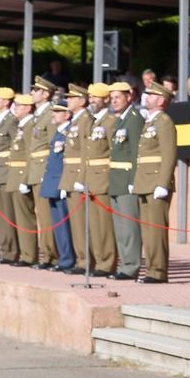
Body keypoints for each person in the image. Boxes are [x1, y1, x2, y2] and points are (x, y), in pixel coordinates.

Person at [134, 83, 177, 283]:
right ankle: (151, 269)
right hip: (145, 181)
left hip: (156, 182)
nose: (146, 97)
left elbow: (169, 155)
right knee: (147, 230)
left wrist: (163, 182)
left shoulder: (164, 121)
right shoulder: (150, 122)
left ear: (161, 100)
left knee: (156, 229)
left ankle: (158, 272)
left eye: (151, 94)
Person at [107, 82, 145, 280]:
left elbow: (136, 152)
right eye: (111, 98)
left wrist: (133, 180)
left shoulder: (133, 119)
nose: (113, 101)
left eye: (117, 97)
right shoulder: (120, 120)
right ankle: (125, 264)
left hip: (127, 178)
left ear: (129, 97)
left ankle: (131, 266)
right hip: (116, 179)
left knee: (129, 227)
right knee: (120, 227)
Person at [81, 83, 118, 277]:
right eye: (91, 97)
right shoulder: (94, 121)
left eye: (95, 97)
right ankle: (99, 261)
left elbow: (113, 151)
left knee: (104, 225)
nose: (92, 100)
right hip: (91, 178)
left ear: (105, 99)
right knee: (94, 225)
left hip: (103, 178)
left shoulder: (110, 121)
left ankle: (107, 263)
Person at [61, 84, 94, 274]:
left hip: (78, 177)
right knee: (76, 224)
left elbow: (86, 152)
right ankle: (82, 260)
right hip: (71, 176)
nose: (68, 101)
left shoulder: (85, 120)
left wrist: (81, 178)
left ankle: (86, 261)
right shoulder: (77, 120)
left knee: (82, 224)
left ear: (82, 101)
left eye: (72, 98)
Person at [26, 78, 58, 269]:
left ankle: (50, 255)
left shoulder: (50, 113)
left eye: (36, 90)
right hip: (35, 169)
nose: (32, 93)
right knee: (41, 215)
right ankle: (46, 254)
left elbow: (54, 144)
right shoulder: (39, 114)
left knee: (46, 216)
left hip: (44, 169)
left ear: (46, 94)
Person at [42, 103, 76, 272]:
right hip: (53, 182)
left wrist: (65, 182)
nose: (54, 114)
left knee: (65, 224)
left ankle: (68, 259)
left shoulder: (69, 131)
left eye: (58, 112)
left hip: (62, 182)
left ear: (67, 115)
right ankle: (63, 258)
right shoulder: (58, 132)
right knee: (58, 224)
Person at [7, 94, 38, 266]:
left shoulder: (29, 126)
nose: (15, 109)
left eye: (19, 106)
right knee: (19, 217)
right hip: (15, 174)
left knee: (25, 217)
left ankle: (29, 255)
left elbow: (29, 155)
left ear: (28, 108)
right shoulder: (22, 125)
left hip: (22, 175)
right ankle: (25, 253)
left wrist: (25, 178)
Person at [0, 87, 19, 264]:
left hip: (6, 171)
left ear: (6, 102)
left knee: (7, 214)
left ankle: (10, 252)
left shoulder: (11, 120)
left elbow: (16, 147)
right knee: (0, 215)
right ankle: (4, 249)